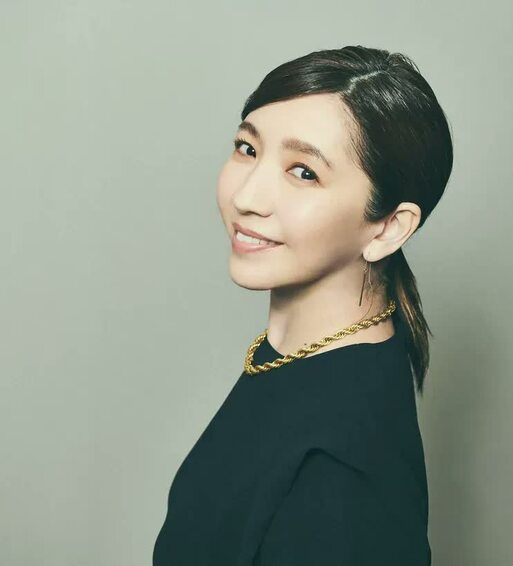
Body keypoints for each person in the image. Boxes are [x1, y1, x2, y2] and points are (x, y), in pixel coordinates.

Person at [153, 44, 453, 566]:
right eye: (247, 148)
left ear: (388, 227)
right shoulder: (295, 357)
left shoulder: (338, 473)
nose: (247, 197)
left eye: (304, 172)